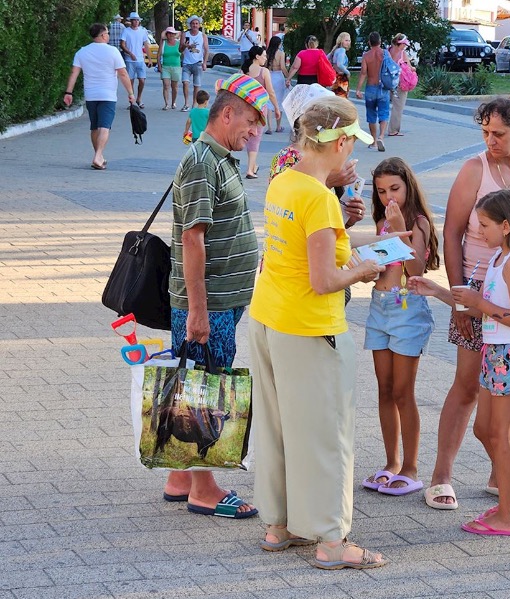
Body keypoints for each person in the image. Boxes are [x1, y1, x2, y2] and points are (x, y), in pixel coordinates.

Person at [248, 94, 389, 570]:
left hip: (268, 318)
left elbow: (305, 253)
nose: (352, 152)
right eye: (351, 143)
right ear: (342, 141)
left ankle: (279, 525)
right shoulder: (319, 199)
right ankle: (331, 541)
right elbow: (325, 279)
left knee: (278, 427)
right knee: (328, 435)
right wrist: (364, 272)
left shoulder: (284, 182)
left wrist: (368, 248)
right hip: (311, 330)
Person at [424, 96, 510, 511]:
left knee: (509, 387)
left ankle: (499, 471)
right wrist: (456, 297)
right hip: (477, 293)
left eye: (498, 134)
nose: (490, 141)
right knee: (467, 385)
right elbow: (450, 234)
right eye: (484, 133)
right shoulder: (474, 170)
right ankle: (441, 475)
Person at [410, 189, 510, 536]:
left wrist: (478, 303)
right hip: (495, 352)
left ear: (505, 226)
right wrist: (436, 291)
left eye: (484, 225)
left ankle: (508, 514)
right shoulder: (498, 259)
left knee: (500, 435)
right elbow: (476, 307)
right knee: (484, 430)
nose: (479, 232)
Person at [164, 73, 267, 520]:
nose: (254, 131)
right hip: (209, 305)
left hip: (222, 300)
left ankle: (181, 476)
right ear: (226, 113)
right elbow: (193, 240)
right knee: (209, 387)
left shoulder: (219, 157)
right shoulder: (203, 162)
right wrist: (199, 313)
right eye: (250, 121)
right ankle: (205, 489)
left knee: (194, 384)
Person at [361, 157, 440, 496]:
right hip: (379, 308)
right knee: (384, 388)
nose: (387, 197)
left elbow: (417, 267)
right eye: (380, 191)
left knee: (403, 392)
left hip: (407, 310)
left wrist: (397, 231)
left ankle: (410, 466)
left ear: (408, 185)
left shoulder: (417, 222)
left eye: (394, 188)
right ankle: (391, 462)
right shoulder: (383, 221)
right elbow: (381, 266)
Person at [269, 83, 366, 231]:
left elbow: (323, 225)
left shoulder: (326, 158)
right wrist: (329, 181)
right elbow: (290, 216)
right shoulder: (287, 157)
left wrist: (349, 218)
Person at [63, 23, 136, 170]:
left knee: (94, 126)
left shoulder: (82, 52)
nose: (108, 35)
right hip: (107, 95)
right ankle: (98, 156)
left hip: (91, 95)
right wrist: (131, 93)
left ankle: (99, 156)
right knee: (105, 126)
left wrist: (68, 92)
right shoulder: (113, 52)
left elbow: (74, 73)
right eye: (107, 33)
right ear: (103, 35)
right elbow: (123, 73)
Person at [241, 46, 281, 179]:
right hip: (259, 109)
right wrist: (276, 107)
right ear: (257, 57)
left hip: (245, 108)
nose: (265, 58)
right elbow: (271, 92)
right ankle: (250, 170)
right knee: (256, 139)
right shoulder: (264, 71)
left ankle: (253, 165)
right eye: (263, 55)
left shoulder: (244, 70)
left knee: (249, 137)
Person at [355, 31, 389, 152]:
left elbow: (363, 73)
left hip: (370, 88)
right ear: (380, 41)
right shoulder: (385, 54)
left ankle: (374, 141)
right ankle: (381, 136)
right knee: (384, 113)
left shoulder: (366, 56)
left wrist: (358, 89)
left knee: (371, 115)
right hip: (383, 87)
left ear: (369, 42)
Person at [179, 15, 209, 112]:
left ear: (199, 25)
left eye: (196, 23)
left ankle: (194, 104)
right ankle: (186, 103)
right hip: (187, 63)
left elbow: (206, 50)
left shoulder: (202, 36)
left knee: (197, 85)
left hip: (198, 63)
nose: (195, 25)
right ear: (190, 24)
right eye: (193, 23)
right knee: (185, 82)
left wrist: (204, 63)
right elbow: (180, 50)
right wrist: (185, 46)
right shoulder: (185, 34)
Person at [120, 12, 149, 108]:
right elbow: (122, 45)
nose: (136, 22)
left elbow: (146, 44)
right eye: (134, 20)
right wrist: (130, 53)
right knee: (130, 82)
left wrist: (149, 58)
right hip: (130, 60)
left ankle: (139, 98)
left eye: (137, 20)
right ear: (131, 21)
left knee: (142, 80)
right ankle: (132, 102)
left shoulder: (142, 31)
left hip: (140, 59)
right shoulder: (126, 31)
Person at [387, 34, 412, 137]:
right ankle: (393, 130)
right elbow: (409, 68)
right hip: (400, 83)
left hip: (388, 81)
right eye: (404, 44)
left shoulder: (387, 51)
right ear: (400, 43)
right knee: (398, 107)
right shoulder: (402, 54)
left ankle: (382, 126)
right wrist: (413, 69)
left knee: (385, 106)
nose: (404, 47)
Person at [265, 36, 289, 133]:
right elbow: (283, 67)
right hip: (278, 77)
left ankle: (269, 127)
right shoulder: (281, 54)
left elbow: (264, 65)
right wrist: (288, 77)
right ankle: (278, 126)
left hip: (269, 76)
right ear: (279, 44)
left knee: (269, 102)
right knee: (279, 102)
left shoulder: (266, 53)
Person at [158, 27, 181, 110]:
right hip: (165, 67)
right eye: (169, 33)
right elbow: (159, 55)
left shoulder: (178, 43)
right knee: (166, 85)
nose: (171, 35)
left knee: (174, 87)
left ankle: (173, 102)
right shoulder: (163, 43)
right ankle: (166, 103)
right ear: (166, 35)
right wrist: (159, 66)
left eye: (172, 33)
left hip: (176, 67)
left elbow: (183, 53)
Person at [328, 32, 351, 98]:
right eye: (346, 40)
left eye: (349, 40)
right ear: (341, 41)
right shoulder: (342, 50)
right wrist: (347, 72)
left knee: (336, 98)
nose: (348, 42)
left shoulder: (335, 50)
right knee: (342, 99)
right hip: (342, 77)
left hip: (335, 76)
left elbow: (326, 58)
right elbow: (340, 64)